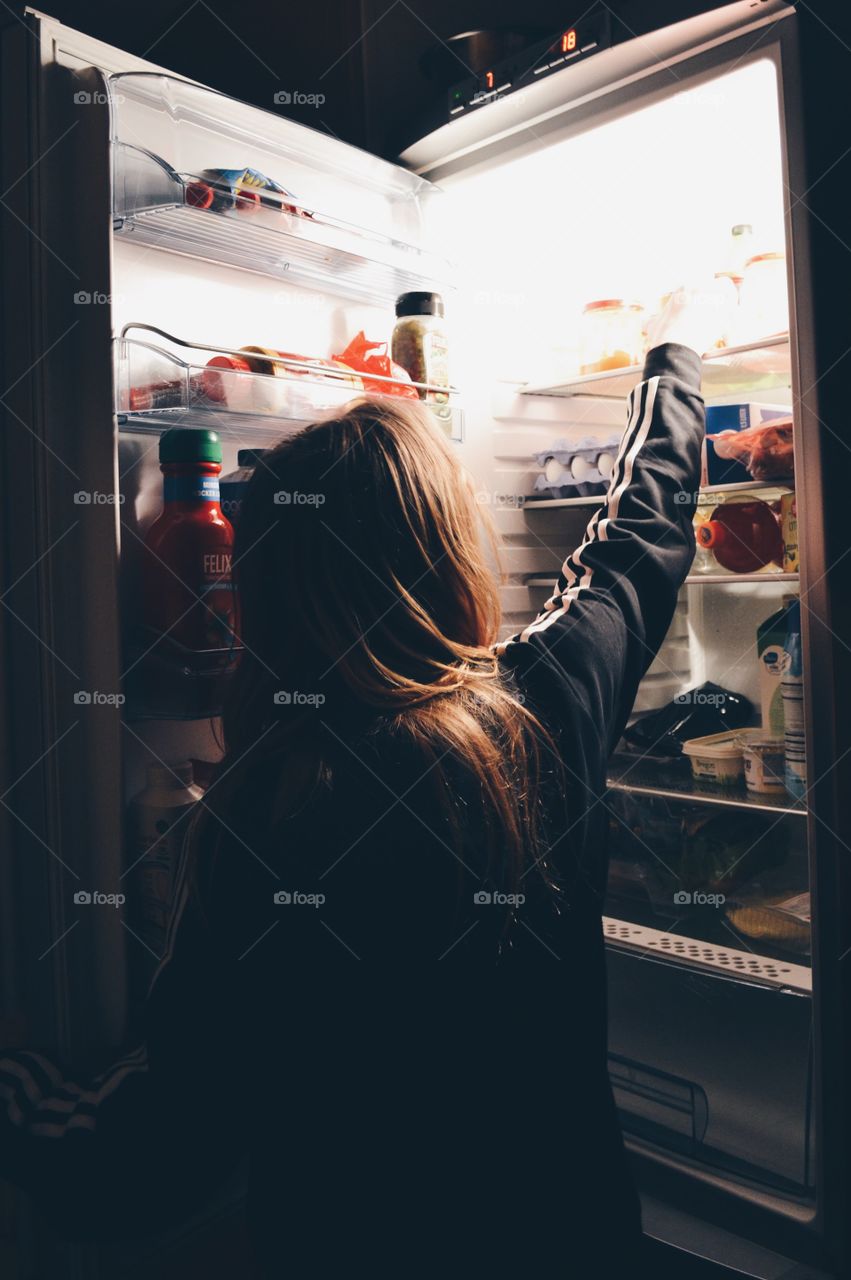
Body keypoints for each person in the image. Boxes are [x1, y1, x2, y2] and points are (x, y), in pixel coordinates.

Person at [0, 287, 729, 1278]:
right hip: (576, 1238)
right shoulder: (547, 696)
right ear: (448, 551)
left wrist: (19, 1077)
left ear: (267, 592)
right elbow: (640, 534)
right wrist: (671, 363)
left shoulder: (263, 815)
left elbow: (150, 1157)